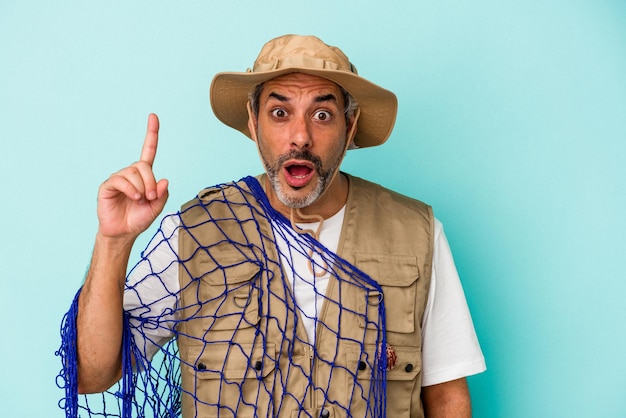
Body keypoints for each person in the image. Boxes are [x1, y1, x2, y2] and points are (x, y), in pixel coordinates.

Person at [66, 34, 485, 418]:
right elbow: (93, 374)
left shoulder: (418, 233)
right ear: (253, 122)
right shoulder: (193, 233)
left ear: (350, 125)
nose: (300, 136)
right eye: (280, 112)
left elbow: (447, 396)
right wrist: (114, 242)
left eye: (322, 113)